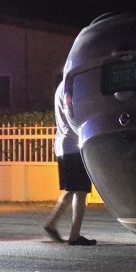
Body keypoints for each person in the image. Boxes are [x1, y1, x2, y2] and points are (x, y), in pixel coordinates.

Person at [42, 81, 96, 246]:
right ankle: (73, 234)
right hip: (73, 144)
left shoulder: (61, 87)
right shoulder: (72, 86)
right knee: (80, 190)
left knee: (72, 189)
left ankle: (52, 224)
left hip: (63, 143)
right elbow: (74, 115)